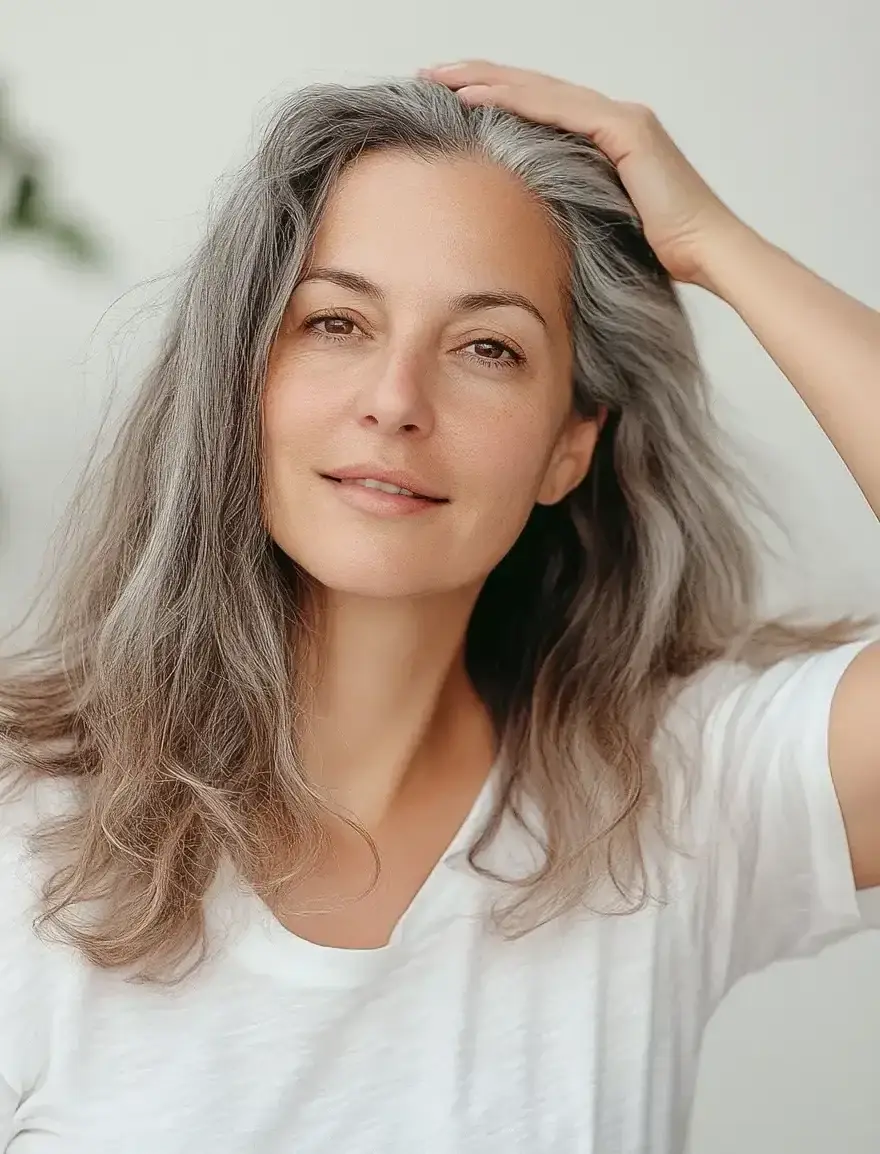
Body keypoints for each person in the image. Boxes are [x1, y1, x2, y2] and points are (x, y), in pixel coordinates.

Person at [0, 60, 878, 1154]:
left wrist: (716, 245)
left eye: (487, 348)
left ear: (568, 445)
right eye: (335, 323)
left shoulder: (677, 798)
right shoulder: (21, 828)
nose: (395, 401)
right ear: (243, 379)